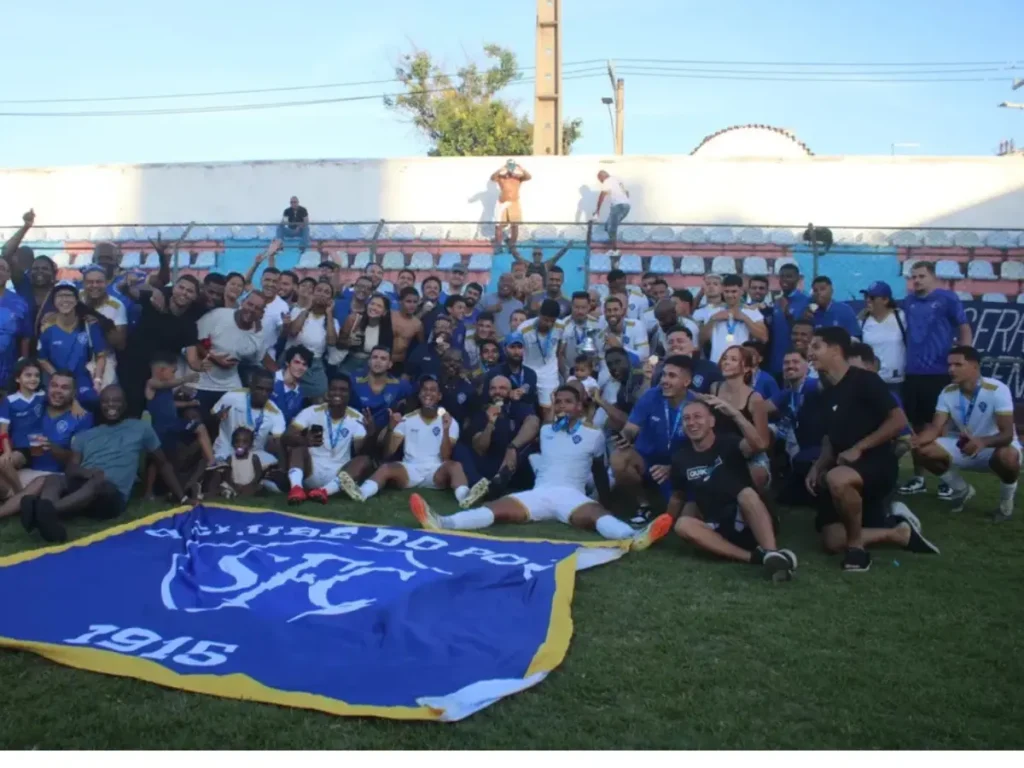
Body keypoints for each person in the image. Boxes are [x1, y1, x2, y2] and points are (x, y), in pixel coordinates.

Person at [409, 384, 673, 551]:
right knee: (497, 509)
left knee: (595, 516)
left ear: (579, 406)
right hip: (540, 493)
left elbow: (598, 471)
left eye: (568, 402)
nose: (562, 406)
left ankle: (635, 536)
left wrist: (605, 500)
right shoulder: (546, 431)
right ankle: (443, 522)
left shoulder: (594, 435)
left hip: (572, 495)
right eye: (558, 402)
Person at [805, 328, 930, 572]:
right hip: (843, 468)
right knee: (831, 540)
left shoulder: (865, 380)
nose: (809, 352)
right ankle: (899, 534)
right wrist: (818, 464)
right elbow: (830, 438)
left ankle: (857, 551)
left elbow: (898, 421)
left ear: (836, 350)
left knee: (837, 478)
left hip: (876, 464)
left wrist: (859, 448)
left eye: (816, 346)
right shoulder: (827, 392)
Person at [20, 386, 185, 543]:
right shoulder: (86, 435)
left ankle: (48, 510)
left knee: (99, 483)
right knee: (54, 479)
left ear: (125, 404)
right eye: (106, 401)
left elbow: (163, 464)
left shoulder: (141, 428)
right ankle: (47, 515)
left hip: (111, 497)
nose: (111, 404)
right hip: (83, 487)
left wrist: (182, 497)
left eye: (116, 400)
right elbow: (71, 469)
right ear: (100, 405)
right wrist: (87, 473)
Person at [667, 400, 798, 579]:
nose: (691, 423)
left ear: (712, 422)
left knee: (746, 494)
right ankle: (757, 558)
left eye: (698, 417)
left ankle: (770, 550)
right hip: (719, 527)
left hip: (750, 520)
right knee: (682, 524)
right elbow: (678, 496)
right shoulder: (680, 458)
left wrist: (735, 414)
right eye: (686, 419)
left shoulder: (730, 443)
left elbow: (759, 445)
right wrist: (660, 527)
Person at [910, 345, 1020, 521]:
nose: (951, 369)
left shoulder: (997, 389)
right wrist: (914, 441)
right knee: (923, 450)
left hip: (993, 447)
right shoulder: (947, 392)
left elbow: (1007, 434)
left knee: (1009, 455)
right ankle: (962, 490)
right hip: (964, 445)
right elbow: (936, 428)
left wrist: (982, 442)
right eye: (949, 365)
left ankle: (1006, 504)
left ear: (974, 366)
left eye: (958, 365)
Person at [353, 376, 489, 507]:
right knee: (386, 468)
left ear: (439, 396)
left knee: (455, 466)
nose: (428, 393)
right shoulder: (407, 419)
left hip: (435, 471)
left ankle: (465, 497)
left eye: (432, 390)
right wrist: (391, 429)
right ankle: (361, 492)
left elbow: (445, 457)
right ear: (419, 394)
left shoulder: (450, 421)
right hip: (410, 469)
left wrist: (446, 430)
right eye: (425, 389)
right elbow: (388, 454)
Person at [899, 261, 973, 497]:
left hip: (939, 373)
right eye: (913, 277)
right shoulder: (909, 301)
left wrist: (965, 359)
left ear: (933, 277)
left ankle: (946, 478)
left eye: (921, 276)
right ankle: (919, 478)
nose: (917, 280)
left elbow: (964, 328)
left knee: (939, 427)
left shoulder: (947, 298)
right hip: (912, 374)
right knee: (915, 427)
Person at [610, 355, 695, 513]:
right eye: (663, 374)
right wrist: (625, 438)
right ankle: (643, 505)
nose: (664, 380)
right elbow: (631, 428)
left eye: (672, 376)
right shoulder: (651, 395)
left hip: (677, 466)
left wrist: (673, 467)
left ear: (686, 382)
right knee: (618, 458)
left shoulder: (695, 404)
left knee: (678, 514)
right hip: (647, 460)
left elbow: (698, 450)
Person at [117, 274, 205, 418]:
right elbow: (125, 290)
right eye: (181, 287)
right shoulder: (155, 300)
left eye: (189, 291)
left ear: (195, 297)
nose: (184, 292)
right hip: (132, 367)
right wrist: (128, 283)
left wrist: (208, 362)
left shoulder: (189, 325)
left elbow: (193, 360)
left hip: (160, 378)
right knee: (129, 412)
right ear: (173, 288)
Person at [285, 376, 375, 504]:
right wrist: (304, 440)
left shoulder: (357, 418)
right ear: (328, 392)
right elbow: (287, 436)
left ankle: (324, 491)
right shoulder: (312, 411)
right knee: (298, 446)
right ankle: (296, 489)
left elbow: (361, 450)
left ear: (349, 395)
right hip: (311, 468)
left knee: (364, 460)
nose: (337, 393)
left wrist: (371, 434)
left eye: (343, 390)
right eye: (334, 389)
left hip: (339, 473)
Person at [142, 354, 215, 498]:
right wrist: (185, 379)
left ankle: (212, 462)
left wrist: (189, 404)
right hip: (159, 429)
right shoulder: (151, 384)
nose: (174, 375)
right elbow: (164, 384)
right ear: (161, 371)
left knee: (199, 427)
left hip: (174, 425)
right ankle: (148, 492)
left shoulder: (167, 388)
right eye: (173, 371)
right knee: (156, 460)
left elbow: (170, 404)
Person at [188, 292, 267, 414]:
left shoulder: (259, 335)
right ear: (242, 302)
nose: (251, 310)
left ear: (262, 314)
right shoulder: (219, 315)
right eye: (250, 304)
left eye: (257, 308)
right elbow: (193, 339)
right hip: (201, 382)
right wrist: (213, 357)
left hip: (230, 386)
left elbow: (254, 361)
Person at [707, 346, 772, 489]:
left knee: (751, 475)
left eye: (733, 359)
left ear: (747, 368)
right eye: (724, 358)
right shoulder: (714, 388)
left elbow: (763, 443)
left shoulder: (755, 398)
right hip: (721, 451)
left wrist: (735, 414)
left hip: (749, 454)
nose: (726, 362)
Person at [36, 283, 109, 410]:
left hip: (82, 379)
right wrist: (58, 378)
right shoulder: (47, 328)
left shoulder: (89, 325)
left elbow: (101, 356)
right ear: (54, 301)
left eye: (69, 295)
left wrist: (97, 381)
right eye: (60, 296)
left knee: (91, 400)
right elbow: (42, 359)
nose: (65, 299)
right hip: (56, 379)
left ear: (76, 300)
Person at [469, 374, 540, 494]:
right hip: (493, 465)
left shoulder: (518, 406)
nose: (497, 392)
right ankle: (497, 482)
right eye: (493, 388)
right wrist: (490, 423)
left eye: (502, 388)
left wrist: (512, 447)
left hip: (519, 463)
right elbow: (480, 448)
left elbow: (534, 423)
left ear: (510, 391)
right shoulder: (481, 412)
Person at [209, 368, 286, 473]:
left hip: (255, 453)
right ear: (251, 386)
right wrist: (218, 416)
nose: (264, 393)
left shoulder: (275, 412)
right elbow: (211, 418)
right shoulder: (232, 397)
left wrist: (282, 469)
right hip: (226, 449)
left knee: (272, 466)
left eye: (268, 390)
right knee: (224, 470)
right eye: (260, 388)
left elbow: (278, 441)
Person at [27, 370, 94, 474]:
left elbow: (79, 459)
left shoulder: (81, 417)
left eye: (64, 388)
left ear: (74, 393)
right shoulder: (37, 406)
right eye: (54, 385)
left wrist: (53, 448)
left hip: (57, 477)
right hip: (25, 471)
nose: (58, 390)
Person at [697, 275, 768, 364]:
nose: (730, 295)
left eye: (734, 291)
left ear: (741, 291)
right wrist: (713, 320)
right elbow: (701, 339)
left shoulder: (752, 312)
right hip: (716, 362)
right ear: (722, 291)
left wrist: (745, 318)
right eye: (727, 291)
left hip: (741, 364)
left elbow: (764, 337)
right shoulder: (712, 312)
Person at [285, 280, 338, 400]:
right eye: (318, 290)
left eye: (326, 292)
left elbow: (332, 342)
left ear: (331, 299)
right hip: (293, 359)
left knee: (322, 391)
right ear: (312, 293)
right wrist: (308, 308)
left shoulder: (333, 322)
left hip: (314, 364)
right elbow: (293, 332)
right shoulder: (298, 311)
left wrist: (329, 313)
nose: (322, 294)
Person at [518, 299, 564, 419]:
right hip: (528, 369)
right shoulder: (523, 329)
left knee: (549, 410)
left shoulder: (561, 326)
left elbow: (560, 349)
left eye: (552, 321)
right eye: (545, 320)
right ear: (539, 314)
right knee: (526, 408)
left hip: (549, 372)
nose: (548, 324)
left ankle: (548, 434)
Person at [859, 281, 907, 394]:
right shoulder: (862, 320)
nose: (868, 300)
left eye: (872, 297)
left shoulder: (901, 317)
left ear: (885, 300)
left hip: (896, 382)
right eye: (866, 297)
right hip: (870, 380)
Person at [351, 346, 414, 431]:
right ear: (369, 362)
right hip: (356, 430)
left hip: (384, 434)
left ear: (390, 364)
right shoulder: (353, 380)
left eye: (383, 359)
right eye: (375, 357)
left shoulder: (401, 385)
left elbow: (415, 399)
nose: (378, 361)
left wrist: (402, 415)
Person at [766, 263, 812, 378]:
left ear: (797, 279)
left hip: (794, 362)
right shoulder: (778, 302)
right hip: (775, 361)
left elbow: (802, 331)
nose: (784, 280)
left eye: (789, 276)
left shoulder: (805, 301)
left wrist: (787, 312)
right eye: (782, 276)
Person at [339, 293, 394, 376]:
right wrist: (348, 342)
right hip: (350, 363)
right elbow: (338, 343)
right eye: (372, 304)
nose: (374, 308)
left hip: (371, 367)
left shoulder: (387, 329)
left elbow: (387, 352)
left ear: (385, 312)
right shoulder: (354, 319)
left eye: (379, 306)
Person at [490, 159, 531, 251]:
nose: (511, 168)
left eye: (512, 166)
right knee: (499, 226)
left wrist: (522, 168)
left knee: (514, 225)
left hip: (514, 202)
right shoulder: (501, 177)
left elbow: (529, 177)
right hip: (502, 203)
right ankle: (499, 246)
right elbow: (492, 178)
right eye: (509, 166)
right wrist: (501, 168)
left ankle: (512, 246)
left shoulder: (518, 177)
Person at [598, 295, 649, 361]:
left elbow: (644, 357)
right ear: (604, 313)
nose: (612, 313)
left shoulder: (636, 326)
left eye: (615, 310)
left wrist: (619, 347)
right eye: (609, 310)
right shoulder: (601, 331)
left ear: (623, 311)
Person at [592, 170, 630, 255]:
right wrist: (625, 200)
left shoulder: (607, 181)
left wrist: (597, 210)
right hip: (626, 206)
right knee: (607, 226)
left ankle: (615, 250)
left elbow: (602, 195)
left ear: (602, 176)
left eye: (600, 180)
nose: (601, 182)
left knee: (611, 228)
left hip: (618, 206)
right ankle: (613, 247)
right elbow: (627, 193)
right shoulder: (617, 179)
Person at [273, 346, 312, 425]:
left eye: (304, 364)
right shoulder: (271, 379)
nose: (300, 367)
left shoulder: (300, 392)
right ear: (287, 362)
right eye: (297, 362)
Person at [391, 286, 424, 375]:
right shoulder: (390, 316)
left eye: (415, 302)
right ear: (400, 302)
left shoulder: (417, 324)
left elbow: (421, 347)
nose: (412, 305)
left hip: (400, 364)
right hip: (382, 359)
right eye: (408, 301)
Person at [481, 273, 525, 338]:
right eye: (502, 280)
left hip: (511, 343)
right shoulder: (485, 299)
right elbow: (474, 319)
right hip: (490, 342)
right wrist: (488, 311)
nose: (505, 283)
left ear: (514, 285)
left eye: (509, 281)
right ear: (497, 284)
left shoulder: (519, 305)